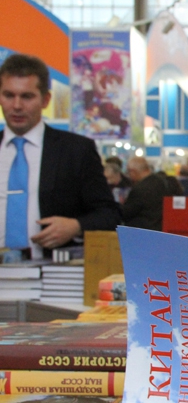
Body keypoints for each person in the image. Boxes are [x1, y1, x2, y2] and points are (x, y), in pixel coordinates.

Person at [0, 53, 120, 257]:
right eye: (9, 95)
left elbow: (110, 214)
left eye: (27, 96)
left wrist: (75, 226)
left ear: (45, 99)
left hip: (52, 270)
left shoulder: (76, 151)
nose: (17, 106)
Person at [123, 157, 182, 231]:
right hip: (162, 229)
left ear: (133, 171)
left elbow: (127, 213)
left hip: (142, 231)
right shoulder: (163, 181)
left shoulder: (139, 189)